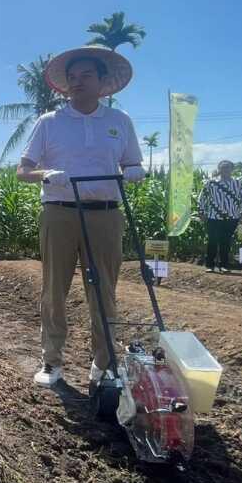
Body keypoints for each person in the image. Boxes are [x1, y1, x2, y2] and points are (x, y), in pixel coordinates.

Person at [16, 45, 145, 387]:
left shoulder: (120, 122)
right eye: (72, 77)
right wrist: (46, 174)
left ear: (103, 82)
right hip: (59, 212)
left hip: (105, 214)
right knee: (54, 288)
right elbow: (22, 170)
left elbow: (133, 163)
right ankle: (52, 361)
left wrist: (135, 172)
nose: (77, 81)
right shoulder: (49, 122)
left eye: (86, 75)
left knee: (104, 291)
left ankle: (104, 364)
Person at [197, 160, 242, 273]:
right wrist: (201, 212)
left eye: (227, 167)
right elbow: (202, 198)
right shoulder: (211, 183)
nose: (225, 170)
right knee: (212, 241)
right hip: (213, 217)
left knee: (225, 242)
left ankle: (224, 266)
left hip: (232, 217)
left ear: (232, 169)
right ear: (219, 169)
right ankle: (210, 265)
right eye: (223, 167)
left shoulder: (237, 183)